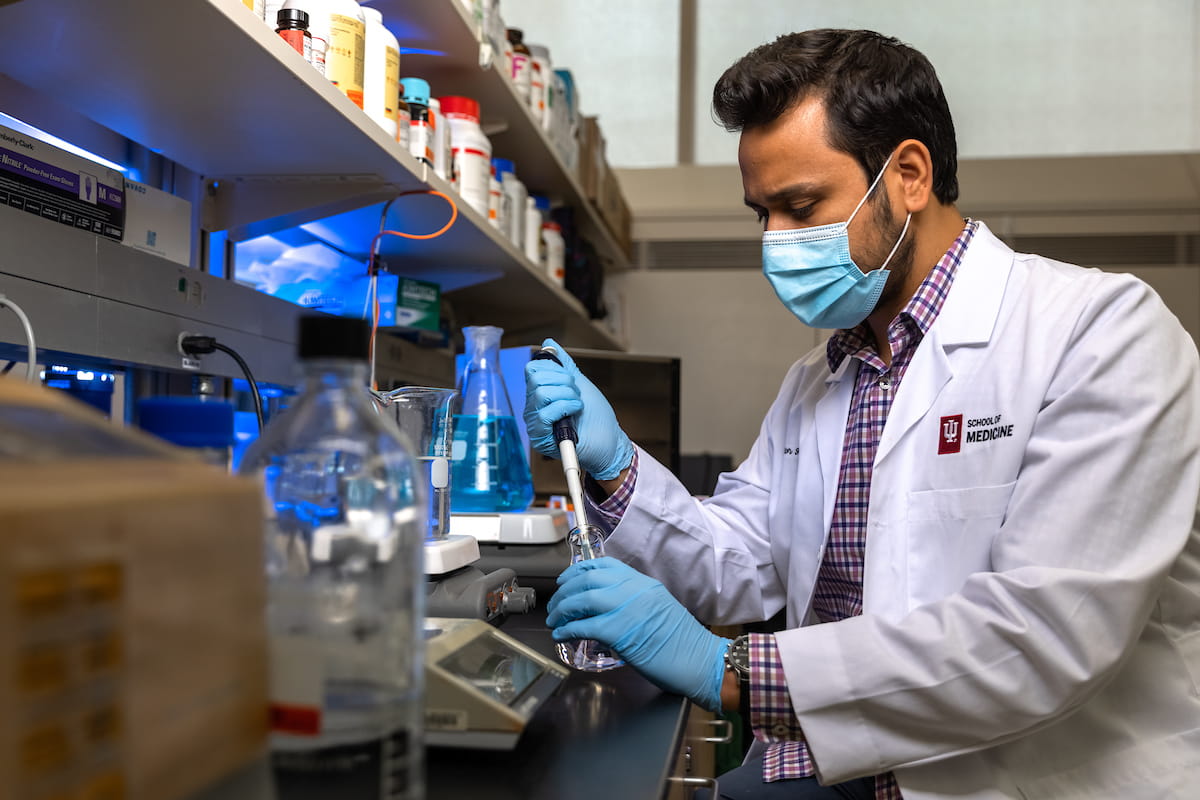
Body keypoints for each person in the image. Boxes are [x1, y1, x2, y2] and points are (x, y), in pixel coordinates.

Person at [524, 28, 1200, 800]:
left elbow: (1045, 637)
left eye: (801, 205)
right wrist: (616, 470)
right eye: (761, 215)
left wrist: (734, 674)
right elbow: (738, 564)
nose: (776, 242)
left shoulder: (1101, 334)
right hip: (832, 772)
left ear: (908, 174)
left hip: (1021, 781)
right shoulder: (818, 378)